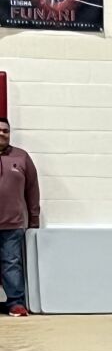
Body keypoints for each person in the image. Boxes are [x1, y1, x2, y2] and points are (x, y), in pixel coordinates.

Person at [0, 117, 39, 317]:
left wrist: (34, 219)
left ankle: (15, 303)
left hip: (13, 224)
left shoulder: (21, 157)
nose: (2, 134)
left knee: (11, 264)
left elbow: (32, 190)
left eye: (5, 131)